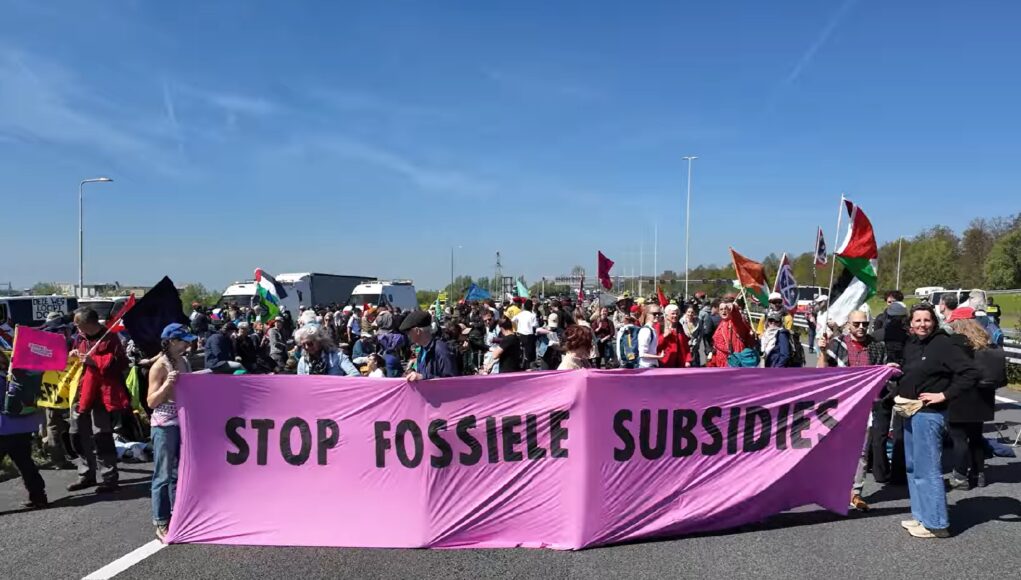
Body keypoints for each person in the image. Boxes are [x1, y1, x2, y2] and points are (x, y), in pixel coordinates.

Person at [895, 303, 979, 538]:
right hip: (909, 410)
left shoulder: (943, 344)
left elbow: (970, 373)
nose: (923, 324)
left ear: (934, 322)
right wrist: (895, 370)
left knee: (927, 469)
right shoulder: (912, 344)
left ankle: (936, 524)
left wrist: (944, 395)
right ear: (911, 324)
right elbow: (912, 372)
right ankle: (921, 516)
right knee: (913, 467)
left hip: (929, 414)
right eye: (918, 320)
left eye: (927, 320)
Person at [818, 310, 892, 511]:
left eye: (864, 324)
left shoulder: (877, 347)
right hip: (840, 405)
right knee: (837, 449)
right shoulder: (837, 344)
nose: (861, 327)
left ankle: (855, 492)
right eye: (857, 324)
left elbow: (882, 377)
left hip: (866, 406)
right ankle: (836, 487)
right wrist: (822, 352)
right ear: (848, 325)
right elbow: (822, 373)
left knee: (861, 451)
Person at [67, 307, 130, 493]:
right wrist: (73, 354)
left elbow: (121, 364)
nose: (75, 327)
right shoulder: (80, 338)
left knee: (101, 435)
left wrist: (95, 362)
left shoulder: (110, 338)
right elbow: (77, 358)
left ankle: (109, 477)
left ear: (87, 323)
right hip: (80, 391)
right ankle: (86, 474)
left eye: (77, 323)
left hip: (101, 394)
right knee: (77, 433)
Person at [146, 323, 195, 541]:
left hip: (183, 420)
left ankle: (178, 514)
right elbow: (151, 401)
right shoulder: (159, 366)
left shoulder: (184, 361)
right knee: (163, 474)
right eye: (183, 341)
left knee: (180, 472)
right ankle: (161, 520)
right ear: (173, 342)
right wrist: (167, 384)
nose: (187, 345)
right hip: (164, 423)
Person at [946, 317, 1005, 489]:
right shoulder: (986, 348)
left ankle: (960, 475)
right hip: (983, 397)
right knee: (976, 438)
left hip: (960, 397)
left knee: (959, 438)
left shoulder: (957, 349)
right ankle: (979, 474)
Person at [0, 349, 48, 509]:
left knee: (24, 462)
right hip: (22, 426)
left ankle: (38, 496)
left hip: (3, 428)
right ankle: (39, 496)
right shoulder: (15, 373)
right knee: (25, 462)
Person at [401, 311, 459, 381]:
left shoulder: (441, 350)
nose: (408, 335)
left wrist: (424, 377)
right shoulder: (422, 349)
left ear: (417, 331)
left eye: (408, 332)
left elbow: (452, 381)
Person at [707, 298, 757, 368]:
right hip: (721, 363)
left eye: (726, 308)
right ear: (718, 312)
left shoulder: (735, 323)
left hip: (734, 362)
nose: (724, 311)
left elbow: (737, 317)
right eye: (721, 309)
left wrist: (733, 308)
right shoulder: (721, 324)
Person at [295, 326, 359, 376]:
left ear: (319, 341)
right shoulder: (303, 361)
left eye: (310, 344)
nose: (307, 347)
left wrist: (336, 382)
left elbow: (355, 374)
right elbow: (301, 382)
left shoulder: (337, 356)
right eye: (303, 345)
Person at [657, 304, 691, 368]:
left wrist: (687, 360)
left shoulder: (679, 326)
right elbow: (655, 345)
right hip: (664, 363)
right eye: (672, 314)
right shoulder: (660, 326)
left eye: (677, 314)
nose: (675, 316)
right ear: (666, 315)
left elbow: (685, 345)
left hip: (679, 363)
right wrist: (664, 336)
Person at [513, 299, 539, 366]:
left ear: (524, 306)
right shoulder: (532, 315)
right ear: (531, 306)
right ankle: (528, 365)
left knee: (520, 350)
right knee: (529, 352)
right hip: (529, 336)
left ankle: (520, 363)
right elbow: (535, 325)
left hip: (520, 335)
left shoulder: (520, 314)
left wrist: (516, 327)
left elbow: (513, 320)